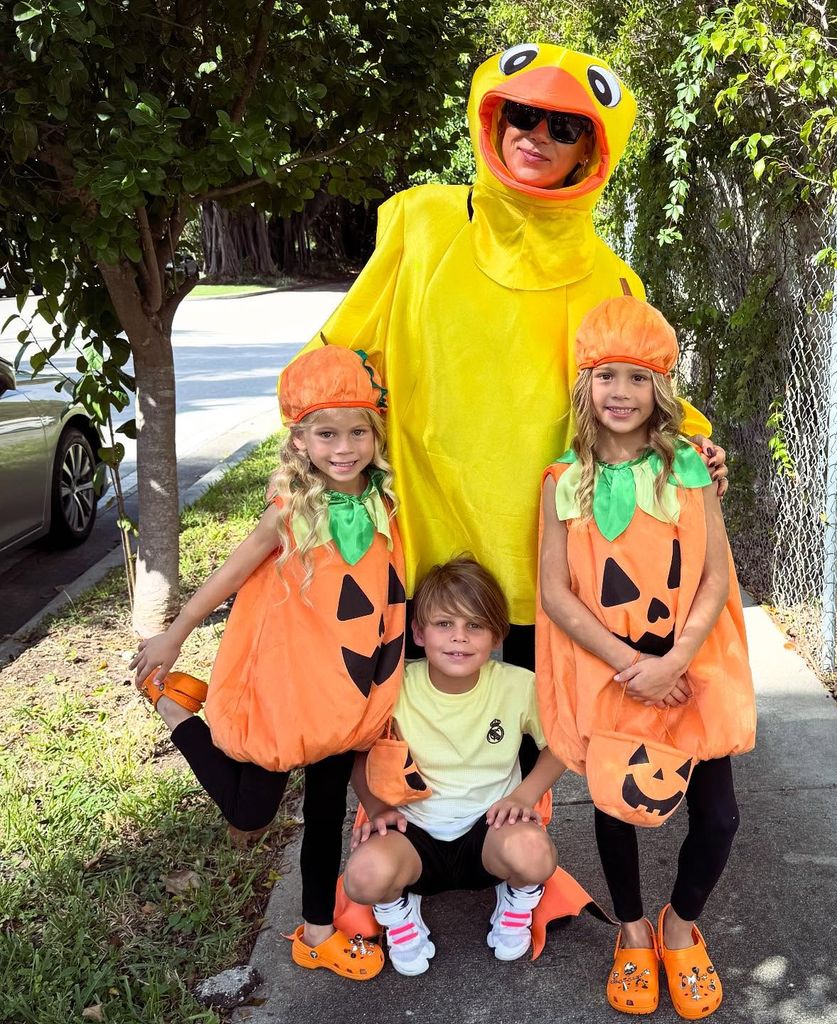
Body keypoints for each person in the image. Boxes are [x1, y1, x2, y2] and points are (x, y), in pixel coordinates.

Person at [297, 43, 727, 670]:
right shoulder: (423, 222)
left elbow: (637, 380)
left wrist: (695, 443)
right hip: (424, 519)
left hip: (541, 536)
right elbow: (347, 343)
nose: (537, 135)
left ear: (592, 150)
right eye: (524, 113)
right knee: (407, 736)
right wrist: (307, 432)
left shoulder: (610, 277)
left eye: (566, 126)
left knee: (522, 729)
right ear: (495, 117)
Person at [130, 345, 406, 983]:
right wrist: (175, 633)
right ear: (300, 438)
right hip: (287, 686)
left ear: (375, 434)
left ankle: (315, 932)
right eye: (326, 433)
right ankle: (173, 706)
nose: (344, 447)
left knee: (326, 811)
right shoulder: (291, 509)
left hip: (346, 687)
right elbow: (232, 572)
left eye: (358, 431)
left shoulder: (382, 500)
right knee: (250, 814)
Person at [536, 296, 756, 1018]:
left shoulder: (690, 468)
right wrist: (632, 665)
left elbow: (716, 574)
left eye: (637, 378)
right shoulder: (561, 481)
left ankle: (680, 925)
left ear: (659, 388)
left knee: (718, 816)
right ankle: (631, 931)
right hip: (612, 669)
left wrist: (676, 659)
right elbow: (558, 592)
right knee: (617, 803)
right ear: (585, 386)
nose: (621, 393)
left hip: (691, 664)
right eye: (607, 378)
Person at [340, 557, 566, 976]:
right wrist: (375, 808)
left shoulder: (518, 685)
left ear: (497, 634)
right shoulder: (394, 687)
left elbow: (562, 745)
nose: (459, 638)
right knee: (363, 877)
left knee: (536, 856)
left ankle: (516, 901)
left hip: (489, 832)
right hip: (414, 833)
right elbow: (359, 751)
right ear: (419, 632)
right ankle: (397, 911)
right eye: (444, 624)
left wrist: (524, 794)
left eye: (474, 626)